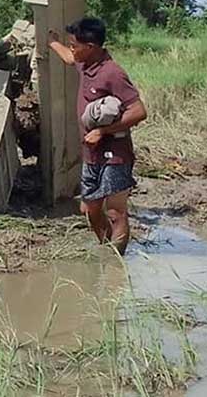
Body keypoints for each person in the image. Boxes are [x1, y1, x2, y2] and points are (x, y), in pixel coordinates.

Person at [47, 17, 147, 255]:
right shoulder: (86, 62)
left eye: (75, 44)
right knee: (89, 209)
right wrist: (52, 42)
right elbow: (70, 58)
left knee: (115, 211)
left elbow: (139, 111)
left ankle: (116, 260)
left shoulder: (113, 73)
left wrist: (102, 130)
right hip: (91, 153)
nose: (72, 48)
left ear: (90, 47)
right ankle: (107, 249)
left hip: (115, 155)